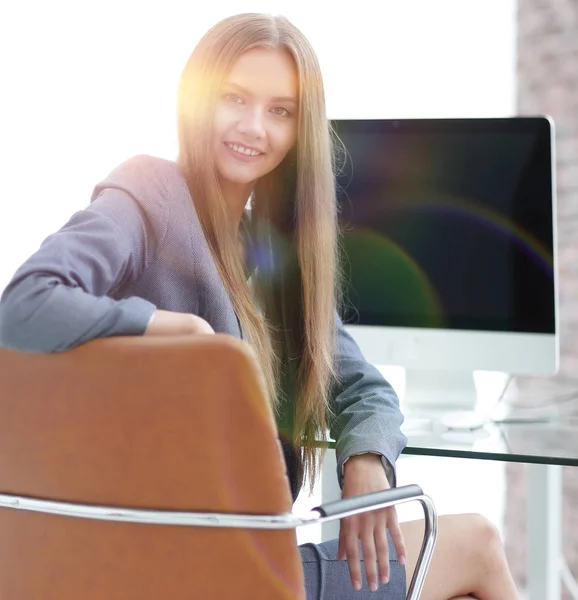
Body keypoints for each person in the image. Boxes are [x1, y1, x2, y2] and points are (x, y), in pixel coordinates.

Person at [0, 12, 519, 600]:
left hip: (224, 560)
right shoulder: (148, 195)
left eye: (281, 111)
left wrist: (367, 460)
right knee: (477, 543)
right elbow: (25, 303)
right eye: (233, 99)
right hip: (185, 571)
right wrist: (174, 328)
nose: (253, 127)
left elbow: (361, 389)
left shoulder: (277, 261)